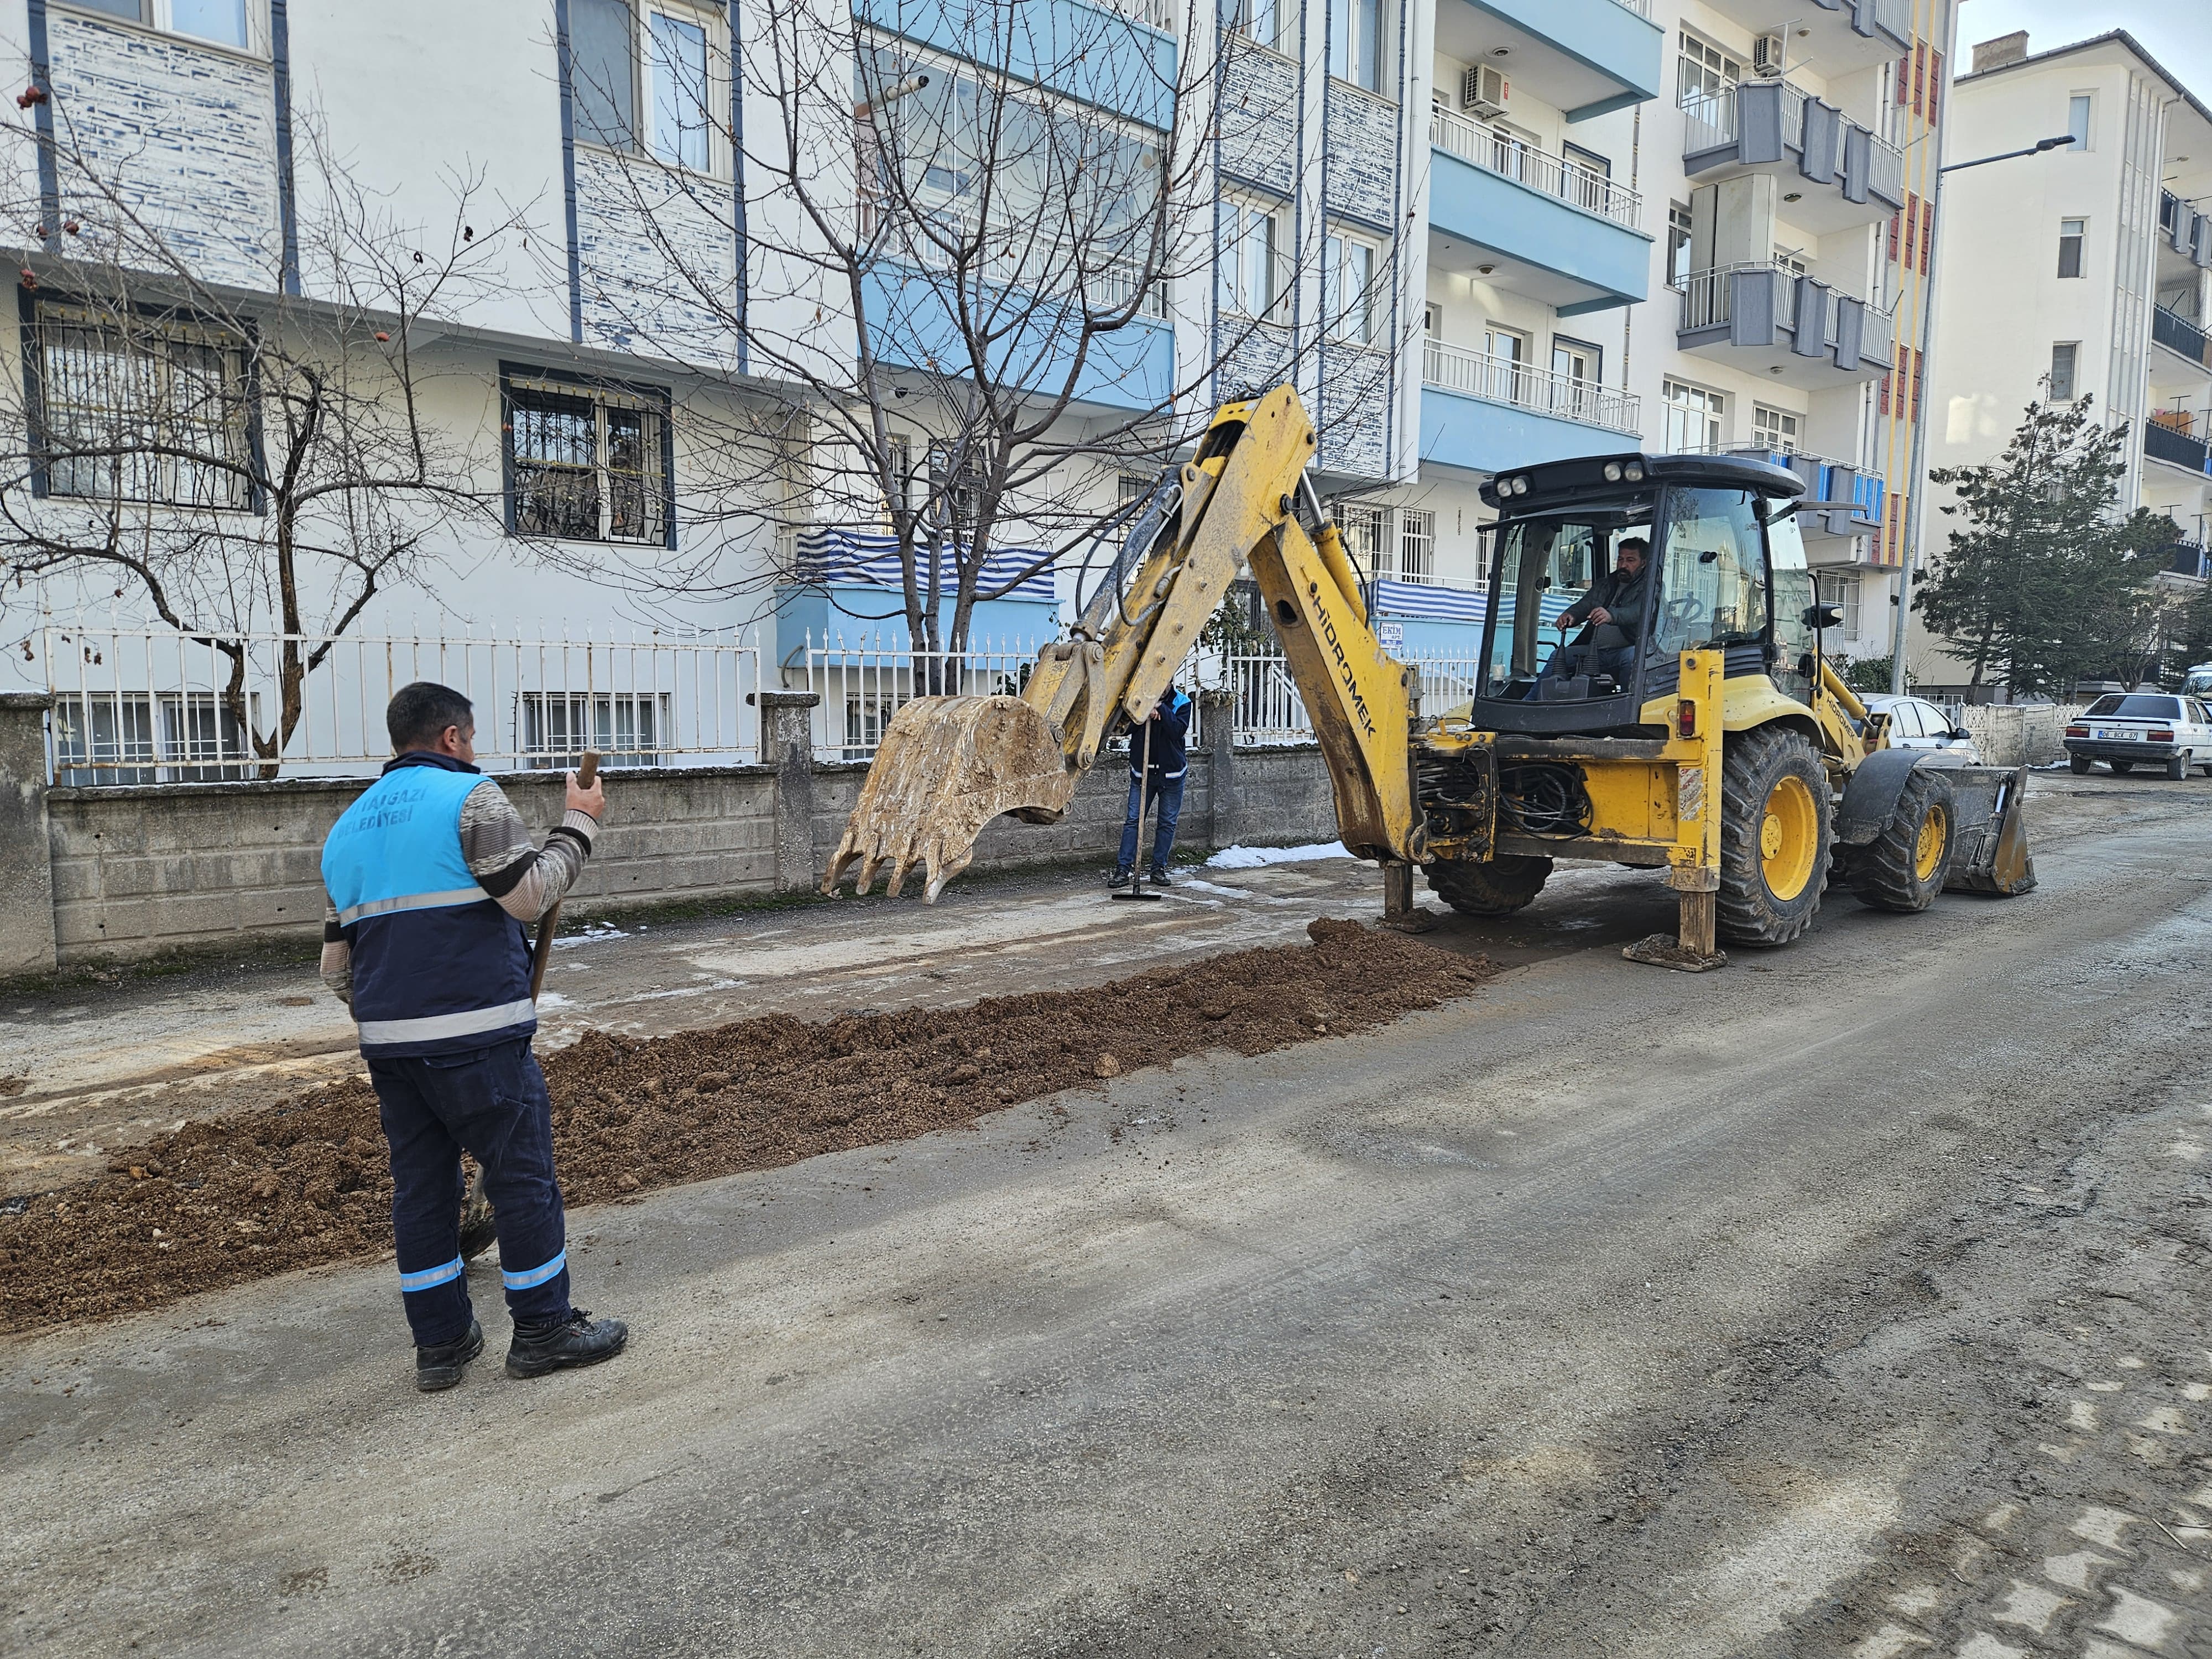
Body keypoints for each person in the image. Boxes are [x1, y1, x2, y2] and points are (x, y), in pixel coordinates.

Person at [319, 681, 629, 1391]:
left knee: (422, 1191)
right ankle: (545, 1330)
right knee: (521, 1179)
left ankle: (442, 1346)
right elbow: (527, 894)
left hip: (392, 1048)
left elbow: (338, 967)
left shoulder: (347, 829)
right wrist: (579, 823)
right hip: (480, 1038)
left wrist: (397, 1019)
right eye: (473, 736)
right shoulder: (471, 797)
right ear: (453, 738)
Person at [1108, 683, 1192, 889]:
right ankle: (1123, 869)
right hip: (1142, 773)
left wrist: (1161, 708)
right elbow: (1125, 728)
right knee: (1134, 821)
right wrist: (1143, 711)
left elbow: (1177, 731)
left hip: (1172, 775)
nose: (1160, 686)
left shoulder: (1183, 702)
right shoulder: (1137, 698)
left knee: (1167, 823)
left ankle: (1158, 869)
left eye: (1164, 682)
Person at [1543, 536, 1649, 684]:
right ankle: (1530, 701)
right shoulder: (1605, 584)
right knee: (1557, 656)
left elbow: (1638, 611)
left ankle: (1629, 704)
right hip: (1594, 652)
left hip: (1625, 651)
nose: (1623, 565)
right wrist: (1572, 615)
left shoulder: (1650, 587)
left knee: (1633, 658)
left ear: (1643, 563)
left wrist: (1611, 615)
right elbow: (1586, 604)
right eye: (1620, 559)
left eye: (1630, 560)